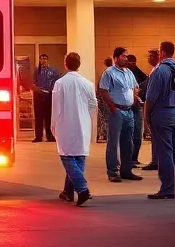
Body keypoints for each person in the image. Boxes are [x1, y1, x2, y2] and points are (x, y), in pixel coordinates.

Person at [144, 40, 175, 200]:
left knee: (165, 151)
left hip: (163, 114)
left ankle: (167, 189)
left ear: (163, 52)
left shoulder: (159, 71)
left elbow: (151, 97)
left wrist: (146, 116)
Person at [51, 52, 97, 206]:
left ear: (65, 64)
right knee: (79, 156)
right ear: (79, 64)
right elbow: (93, 105)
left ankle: (82, 189)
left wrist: (53, 125)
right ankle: (68, 192)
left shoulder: (60, 83)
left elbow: (56, 107)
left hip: (65, 124)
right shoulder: (88, 83)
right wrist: (88, 119)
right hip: (83, 124)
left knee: (67, 156)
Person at [98, 47, 143, 183]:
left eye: (126, 56)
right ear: (116, 58)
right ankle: (112, 171)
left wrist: (134, 96)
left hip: (129, 111)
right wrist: (112, 107)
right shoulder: (109, 73)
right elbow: (103, 90)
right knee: (113, 142)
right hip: (116, 111)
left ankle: (126, 170)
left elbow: (135, 87)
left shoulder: (129, 72)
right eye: (123, 56)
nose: (126, 58)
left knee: (128, 141)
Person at [125, 54, 149, 170]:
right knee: (128, 133)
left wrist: (140, 96)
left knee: (138, 133)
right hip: (127, 106)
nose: (132, 65)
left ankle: (134, 158)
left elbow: (145, 86)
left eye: (134, 63)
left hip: (137, 105)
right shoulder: (123, 74)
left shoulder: (139, 73)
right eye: (130, 62)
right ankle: (127, 159)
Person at [31, 53, 58, 142]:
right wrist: (36, 89)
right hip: (38, 96)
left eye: (45, 58)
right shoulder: (36, 71)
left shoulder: (53, 71)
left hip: (49, 96)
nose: (43, 60)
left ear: (47, 60)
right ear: (39, 60)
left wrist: (51, 91)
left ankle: (50, 136)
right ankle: (38, 136)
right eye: (41, 58)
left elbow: (56, 82)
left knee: (48, 116)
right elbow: (33, 82)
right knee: (38, 117)